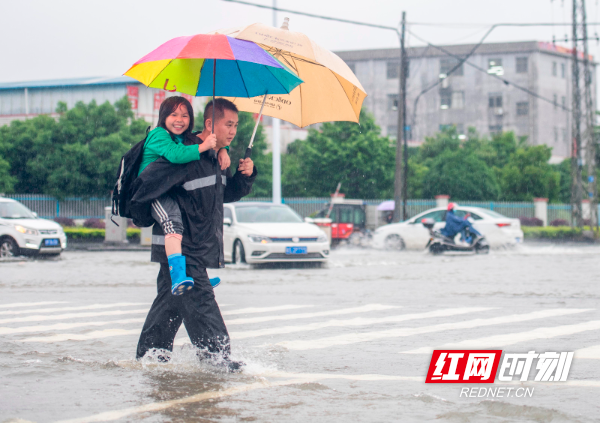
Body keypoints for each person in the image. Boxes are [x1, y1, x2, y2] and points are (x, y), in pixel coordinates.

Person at [130, 98, 256, 371]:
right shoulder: (186, 151)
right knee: (201, 301)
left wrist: (245, 175)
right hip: (183, 246)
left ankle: (148, 360)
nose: (234, 131)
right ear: (210, 124)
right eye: (229, 124)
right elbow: (148, 183)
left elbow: (223, 195)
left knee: (169, 304)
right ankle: (218, 361)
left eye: (236, 125)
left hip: (196, 245)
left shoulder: (216, 157)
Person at [139, 96, 230, 295]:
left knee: (188, 231)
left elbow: (200, 138)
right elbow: (176, 154)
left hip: (168, 190)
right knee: (173, 223)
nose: (179, 119)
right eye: (174, 115)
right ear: (163, 117)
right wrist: (203, 147)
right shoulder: (158, 135)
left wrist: (223, 148)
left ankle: (198, 278)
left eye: (185, 115)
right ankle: (178, 275)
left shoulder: (180, 137)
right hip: (152, 191)